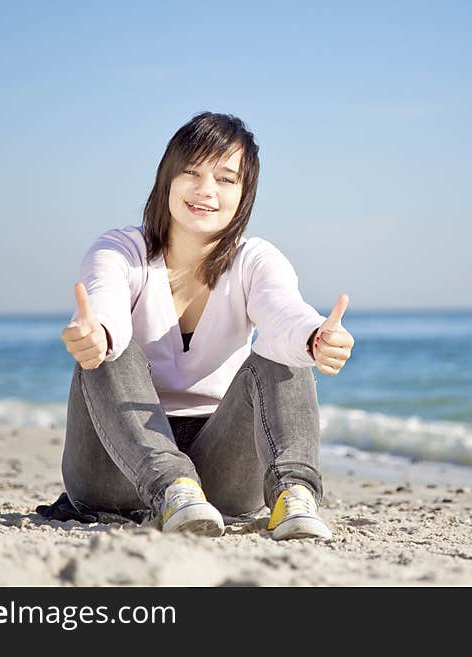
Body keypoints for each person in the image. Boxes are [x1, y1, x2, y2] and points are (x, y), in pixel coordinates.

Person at [58, 112, 354, 540]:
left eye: (225, 178)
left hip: (220, 472)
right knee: (111, 347)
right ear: (167, 179)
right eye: (191, 172)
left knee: (284, 352)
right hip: (114, 465)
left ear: (244, 193)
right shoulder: (122, 250)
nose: (205, 190)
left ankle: (293, 496)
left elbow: (284, 312)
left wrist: (315, 337)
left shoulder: (255, 259)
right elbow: (104, 305)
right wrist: (94, 334)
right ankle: (173, 488)